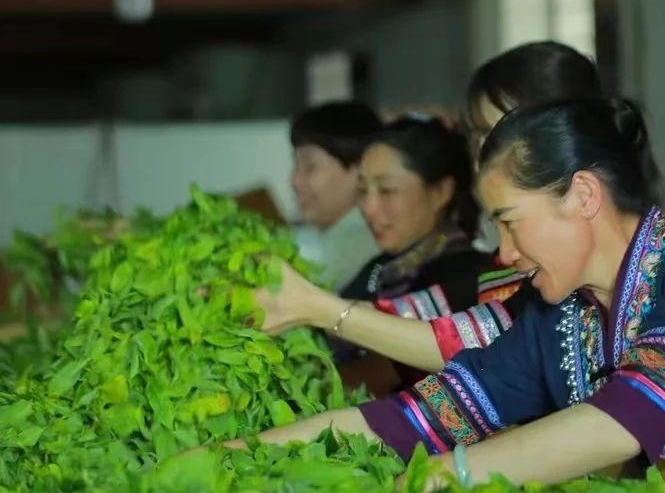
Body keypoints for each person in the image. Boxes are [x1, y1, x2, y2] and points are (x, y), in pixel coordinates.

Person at [225, 99, 665, 492]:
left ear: (582, 196)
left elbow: (625, 421)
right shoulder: (559, 317)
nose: (501, 252)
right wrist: (233, 456)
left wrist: (460, 472)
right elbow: (411, 420)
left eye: (509, 219)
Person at [257, 41, 620, 374]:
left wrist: (320, 309)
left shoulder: (659, 274)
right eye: (476, 137)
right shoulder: (496, 276)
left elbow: (475, 367)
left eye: (387, 190)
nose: (481, 155)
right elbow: (467, 362)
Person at [332, 115, 490, 389]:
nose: (368, 208)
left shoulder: (468, 276)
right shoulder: (379, 267)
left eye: (387, 190)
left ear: (441, 191)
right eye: (361, 190)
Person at [289, 101, 382, 292]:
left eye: (309, 167)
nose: (294, 181)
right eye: (296, 164)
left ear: (360, 170)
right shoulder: (335, 238)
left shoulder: (356, 248)